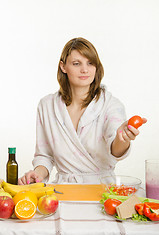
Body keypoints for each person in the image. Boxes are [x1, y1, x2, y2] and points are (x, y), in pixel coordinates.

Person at [18, 37, 147, 185]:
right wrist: (37, 174)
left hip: (101, 190)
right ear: (63, 67)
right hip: (63, 190)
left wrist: (122, 138)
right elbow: (45, 155)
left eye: (90, 63)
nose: (85, 69)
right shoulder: (46, 106)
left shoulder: (111, 105)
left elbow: (116, 149)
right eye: (76, 63)